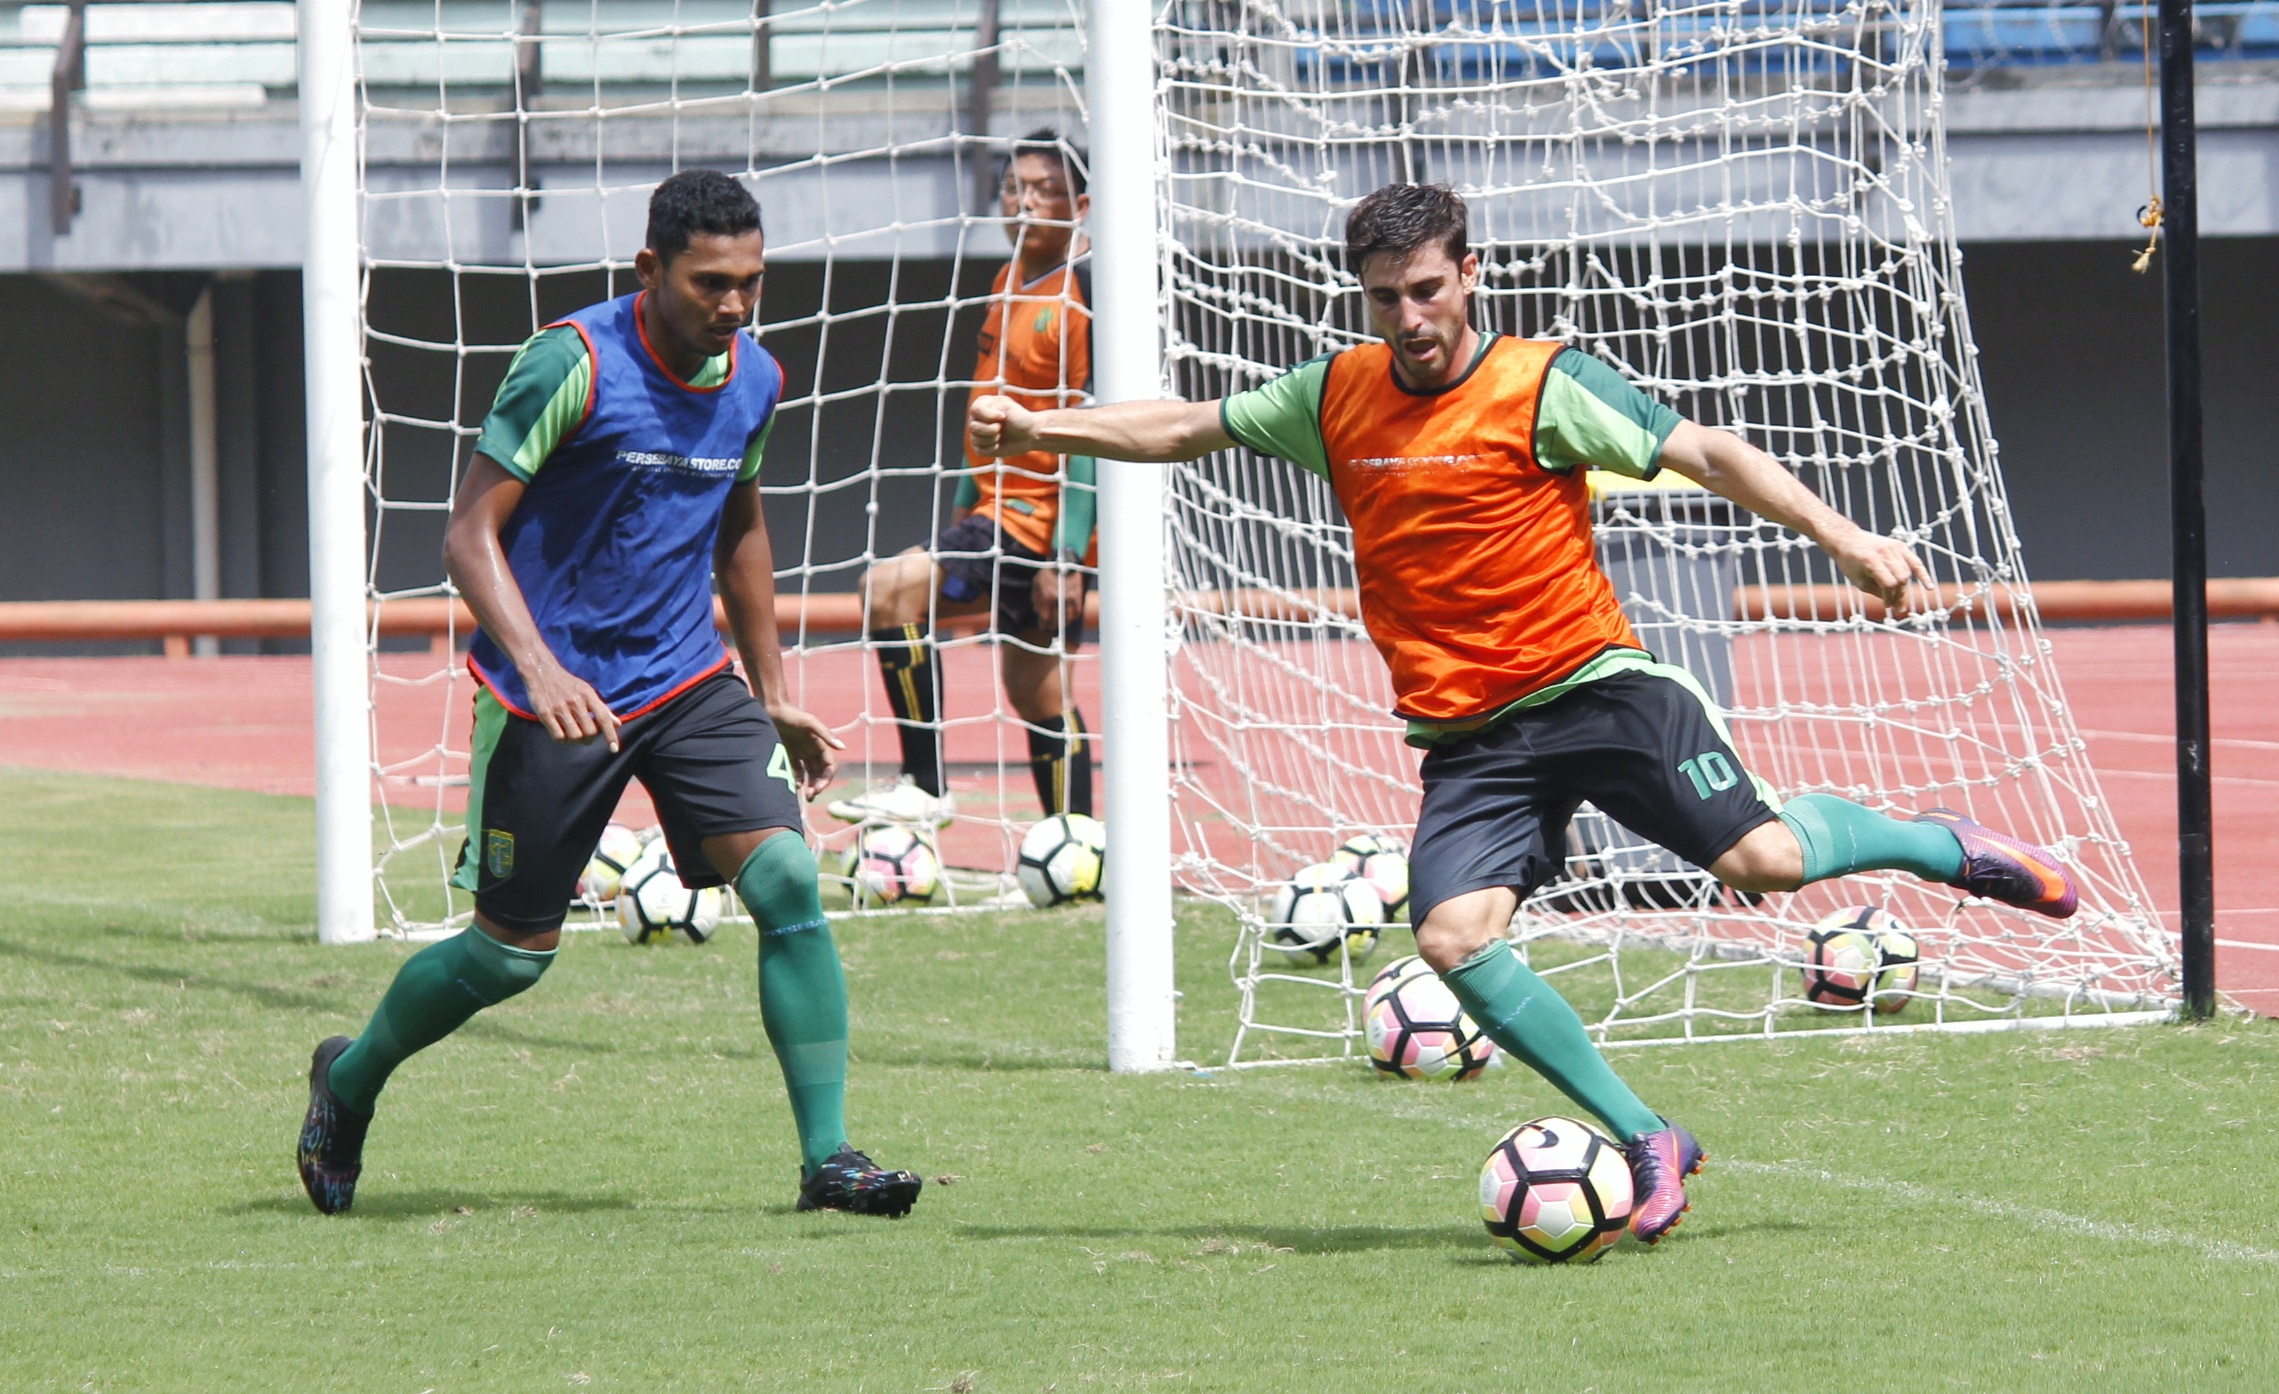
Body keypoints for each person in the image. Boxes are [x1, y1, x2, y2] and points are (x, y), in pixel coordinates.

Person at [965, 182, 2079, 1244]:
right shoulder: (1332, 395)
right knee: (1449, 936)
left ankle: (1945, 844)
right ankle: (1647, 1134)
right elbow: (1183, 426)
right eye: (1383, 297)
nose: (1408, 318)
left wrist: (1844, 539)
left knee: (1767, 859)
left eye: (1427, 289)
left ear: (1469, 275)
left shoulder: (1543, 384)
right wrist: (1038, 431)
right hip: (1470, 741)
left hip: (1597, 686)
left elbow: (1707, 451)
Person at [296, 170, 924, 1220]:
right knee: (507, 956)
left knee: (788, 887)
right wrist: (540, 668)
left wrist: (769, 690)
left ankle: (829, 1160)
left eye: (750, 282)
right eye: (709, 282)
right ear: (650, 269)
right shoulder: (571, 361)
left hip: (685, 679)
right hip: (552, 694)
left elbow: (741, 528)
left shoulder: (755, 377)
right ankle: (347, 1081)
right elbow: (465, 533)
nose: (732, 305)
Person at [829, 129, 1098, 830]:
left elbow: (1093, 430)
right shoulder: (1007, 279)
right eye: (1015, 187)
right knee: (1037, 693)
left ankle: (924, 785)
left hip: (1037, 524)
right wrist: (960, 505)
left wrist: (1068, 558)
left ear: (1082, 204)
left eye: (1043, 189)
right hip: (993, 510)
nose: (1025, 201)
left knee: (887, 591)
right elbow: (980, 408)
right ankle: (1079, 852)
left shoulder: (1083, 297)